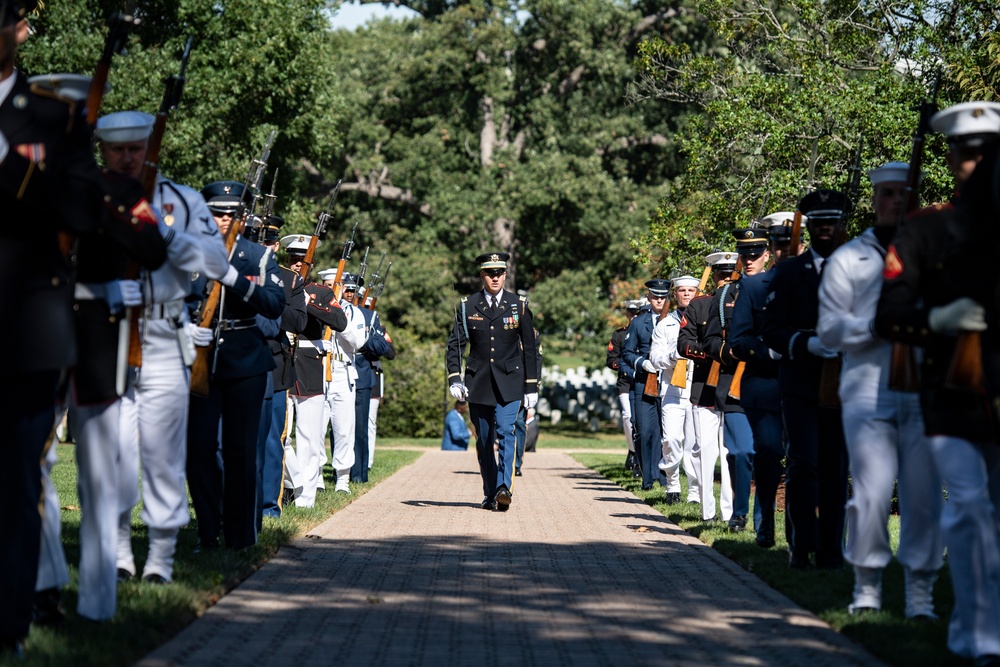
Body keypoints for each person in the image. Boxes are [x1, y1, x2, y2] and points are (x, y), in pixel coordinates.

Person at [876, 102, 1000, 663]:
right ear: (951, 158)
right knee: (970, 506)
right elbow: (889, 312)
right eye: (968, 153)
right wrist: (935, 321)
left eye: (987, 153)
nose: (976, 163)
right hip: (951, 390)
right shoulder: (923, 230)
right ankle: (978, 637)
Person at [95, 111, 232, 588]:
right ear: (103, 151)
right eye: (118, 149)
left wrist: (165, 235)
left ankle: (160, 559)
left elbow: (215, 260)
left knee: (162, 454)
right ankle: (116, 554)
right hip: (106, 333)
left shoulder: (181, 200)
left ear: (150, 147)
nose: (129, 157)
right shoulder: (91, 194)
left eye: (137, 147)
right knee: (114, 453)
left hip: (161, 336)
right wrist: (101, 291)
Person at [818, 161, 943, 616]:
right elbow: (830, 329)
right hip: (868, 390)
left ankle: (920, 593)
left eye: (903, 193)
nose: (895, 201)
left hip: (921, 389)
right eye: (887, 193)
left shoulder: (931, 255)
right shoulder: (850, 258)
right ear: (875, 200)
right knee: (871, 494)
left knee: (922, 495)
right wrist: (876, 325)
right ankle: (867, 586)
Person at [185, 181, 284, 550]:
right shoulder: (189, 250)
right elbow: (174, 296)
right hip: (201, 359)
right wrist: (184, 329)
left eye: (232, 214)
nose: (224, 220)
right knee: (198, 449)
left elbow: (275, 306)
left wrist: (235, 281)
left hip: (245, 361)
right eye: (217, 213)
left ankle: (240, 535)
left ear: (243, 218)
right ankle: (208, 531)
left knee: (241, 451)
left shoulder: (258, 256)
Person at [763, 189, 851, 570]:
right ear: (810, 226)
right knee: (803, 463)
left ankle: (832, 549)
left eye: (833, 220)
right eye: (819, 221)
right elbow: (772, 329)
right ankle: (801, 543)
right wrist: (807, 343)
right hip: (800, 380)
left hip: (845, 381)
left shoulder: (858, 267)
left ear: (843, 224)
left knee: (836, 467)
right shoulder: (788, 272)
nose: (826, 227)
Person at [446, 252, 538, 511]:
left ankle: (503, 488)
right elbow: (455, 345)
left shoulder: (518, 304)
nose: (495, 277)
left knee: (506, 433)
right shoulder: (467, 306)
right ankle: (489, 493)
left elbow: (529, 348)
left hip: (510, 382)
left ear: (505, 275)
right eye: (490, 273)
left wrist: (531, 386)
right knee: (485, 440)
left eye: (499, 273)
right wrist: (455, 377)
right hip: (479, 383)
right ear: (482, 276)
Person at [727, 212, 799, 548]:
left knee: (803, 460)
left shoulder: (815, 282)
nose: (786, 249)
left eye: (790, 243)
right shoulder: (754, 287)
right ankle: (764, 522)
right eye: (781, 243)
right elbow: (738, 340)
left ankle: (799, 535)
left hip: (805, 384)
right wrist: (768, 352)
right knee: (768, 454)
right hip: (766, 384)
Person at [281, 237, 349, 505]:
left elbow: (340, 321)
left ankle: (306, 498)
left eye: (303, 259)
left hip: (310, 363)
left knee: (310, 436)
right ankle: (295, 482)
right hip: (282, 361)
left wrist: (307, 302)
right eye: (293, 259)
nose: (298, 264)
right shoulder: (279, 283)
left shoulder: (321, 292)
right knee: (280, 435)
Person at [255, 215, 307, 520]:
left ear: (276, 245)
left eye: (270, 241)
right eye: (260, 239)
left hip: (275, 365)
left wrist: (270, 301)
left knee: (273, 438)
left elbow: (299, 321)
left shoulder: (290, 280)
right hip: (241, 358)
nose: (266, 246)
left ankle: (268, 506)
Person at [678, 253, 737, 523]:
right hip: (705, 386)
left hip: (735, 387)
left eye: (729, 274)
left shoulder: (743, 303)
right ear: (713, 276)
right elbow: (684, 343)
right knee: (706, 451)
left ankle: (727, 512)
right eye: (720, 274)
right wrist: (711, 352)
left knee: (728, 452)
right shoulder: (699, 306)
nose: (725, 279)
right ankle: (707, 511)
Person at [647, 275, 700, 504]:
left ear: (697, 294)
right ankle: (672, 484)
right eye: (682, 290)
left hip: (697, 387)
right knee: (670, 440)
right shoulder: (665, 323)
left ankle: (696, 493)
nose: (686, 294)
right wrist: (672, 356)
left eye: (691, 290)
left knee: (695, 443)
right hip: (671, 389)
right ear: (675, 294)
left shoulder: (704, 321)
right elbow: (654, 358)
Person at [621, 279, 671, 491]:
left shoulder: (675, 320)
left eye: (663, 296)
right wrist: (642, 363)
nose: (659, 300)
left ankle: (664, 476)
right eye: (655, 296)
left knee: (666, 433)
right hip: (645, 382)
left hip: (669, 381)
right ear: (649, 297)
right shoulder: (639, 323)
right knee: (644, 431)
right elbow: (627, 353)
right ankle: (647, 476)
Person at [343, 273, 392, 484]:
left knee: (361, 428)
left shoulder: (369, 316)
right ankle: (340, 474)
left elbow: (384, 347)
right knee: (339, 429)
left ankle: (358, 475)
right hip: (335, 372)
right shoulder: (332, 311)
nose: (349, 294)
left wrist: (361, 341)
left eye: (353, 291)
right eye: (347, 289)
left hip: (362, 374)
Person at [607, 300, 641, 474]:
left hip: (643, 381)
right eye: (631, 312)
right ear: (627, 314)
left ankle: (641, 455)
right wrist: (626, 367)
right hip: (626, 382)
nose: (634, 316)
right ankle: (633, 451)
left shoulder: (646, 331)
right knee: (628, 417)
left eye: (638, 313)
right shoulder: (620, 335)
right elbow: (611, 360)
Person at [514, 327, 542, 476]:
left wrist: (533, 388)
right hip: (503, 382)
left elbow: (537, 360)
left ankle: (517, 463)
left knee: (519, 423)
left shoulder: (532, 333)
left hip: (523, 385)